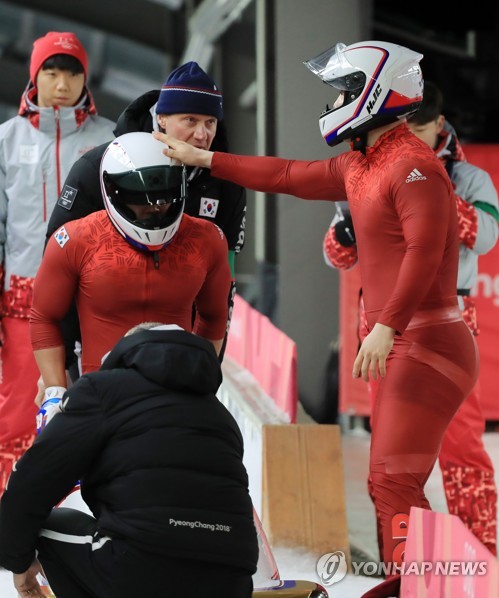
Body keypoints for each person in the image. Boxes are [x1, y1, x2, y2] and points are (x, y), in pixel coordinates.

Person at [153, 41, 480, 598]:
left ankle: (433, 587)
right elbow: (286, 173)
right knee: (393, 485)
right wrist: (205, 160)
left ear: (376, 92)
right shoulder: (365, 162)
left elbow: (426, 252)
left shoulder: (414, 165)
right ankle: (425, 586)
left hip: (425, 342)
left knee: (392, 482)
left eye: (344, 90)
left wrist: (386, 325)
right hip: (410, 343)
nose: (335, 101)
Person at [323, 80, 499, 556]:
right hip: (379, 321)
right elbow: (335, 256)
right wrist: (346, 226)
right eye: (401, 128)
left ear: (438, 125)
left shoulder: (467, 178)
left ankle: (480, 557)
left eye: (417, 129)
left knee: (461, 446)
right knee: (390, 456)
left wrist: (427, 185)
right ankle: (400, 563)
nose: (408, 139)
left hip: (445, 316)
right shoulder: (368, 168)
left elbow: (485, 237)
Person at [0, 322, 258, 598]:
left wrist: (15, 558)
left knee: (39, 527)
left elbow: (34, 479)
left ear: (125, 352)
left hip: (139, 568)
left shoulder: (104, 390)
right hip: (233, 578)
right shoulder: (222, 418)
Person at [45, 60, 246, 377]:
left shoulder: (227, 184)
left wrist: (207, 370)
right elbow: (58, 264)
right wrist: (64, 367)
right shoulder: (99, 166)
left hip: (178, 346)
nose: (201, 133)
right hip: (99, 343)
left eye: (210, 122)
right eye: (190, 120)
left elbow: (225, 284)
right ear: (162, 119)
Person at [30, 131, 231, 424]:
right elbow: (44, 316)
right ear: (113, 191)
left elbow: (214, 317)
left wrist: (199, 375)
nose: (155, 208)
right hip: (100, 398)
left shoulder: (209, 240)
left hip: (174, 399)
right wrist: (54, 390)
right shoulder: (72, 241)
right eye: (141, 199)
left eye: (165, 198)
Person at [0, 31, 115, 495]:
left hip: (93, 294)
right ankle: (13, 514)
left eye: (72, 72)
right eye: (51, 70)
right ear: (35, 75)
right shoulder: (6, 140)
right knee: (16, 408)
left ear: (85, 78)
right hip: (23, 296)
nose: (62, 82)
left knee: (90, 403)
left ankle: (81, 512)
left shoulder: (109, 138)